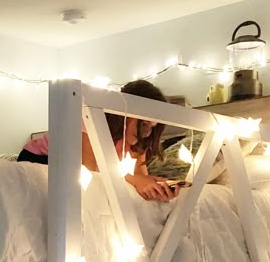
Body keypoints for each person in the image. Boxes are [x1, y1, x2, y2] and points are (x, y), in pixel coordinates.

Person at [17, 79, 178, 202]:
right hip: (42, 158)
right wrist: (134, 180)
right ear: (124, 113)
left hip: (76, 166)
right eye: (143, 124)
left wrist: (157, 189)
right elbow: (91, 172)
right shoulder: (91, 119)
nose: (147, 133)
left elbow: (140, 179)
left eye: (152, 127)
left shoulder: (138, 141)